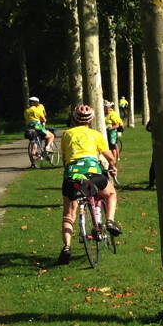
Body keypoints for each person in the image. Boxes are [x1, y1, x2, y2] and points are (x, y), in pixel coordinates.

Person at [56, 104, 120, 265]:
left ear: (74, 118)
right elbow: (110, 157)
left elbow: (64, 158)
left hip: (72, 175)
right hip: (93, 173)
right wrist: (112, 166)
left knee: (68, 214)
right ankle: (110, 221)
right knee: (110, 193)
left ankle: (66, 247)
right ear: (91, 120)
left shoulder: (66, 134)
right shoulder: (95, 134)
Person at [23, 95, 54, 160]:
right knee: (51, 136)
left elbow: (26, 120)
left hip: (29, 129)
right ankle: (47, 147)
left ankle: (35, 154)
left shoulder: (26, 111)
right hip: (38, 128)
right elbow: (44, 119)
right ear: (35, 103)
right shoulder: (37, 110)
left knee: (35, 140)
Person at [103, 100, 125, 168]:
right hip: (107, 132)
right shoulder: (105, 114)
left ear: (108, 107)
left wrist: (110, 128)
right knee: (110, 146)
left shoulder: (113, 114)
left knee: (113, 146)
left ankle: (114, 161)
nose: (104, 108)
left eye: (105, 107)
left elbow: (117, 125)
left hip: (112, 132)